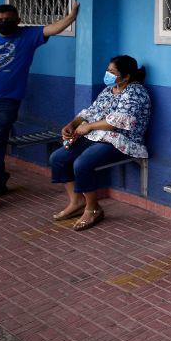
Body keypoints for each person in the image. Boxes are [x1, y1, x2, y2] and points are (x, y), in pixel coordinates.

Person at [0, 2, 80, 211]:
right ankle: (0, 179)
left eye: (7, 20)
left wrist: (71, 16)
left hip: (6, 102)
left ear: (18, 20)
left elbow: (54, 28)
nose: (2, 24)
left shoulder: (28, 36)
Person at [50, 55, 151, 231]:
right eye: (107, 70)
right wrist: (72, 124)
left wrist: (89, 127)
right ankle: (77, 201)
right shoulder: (108, 90)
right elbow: (90, 112)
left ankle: (93, 209)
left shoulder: (135, 92)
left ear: (126, 76)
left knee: (82, 163)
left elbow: (119, 122)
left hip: (122, 140)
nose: (107, 74)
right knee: (58, 158)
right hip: (96, 136)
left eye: (112, 72)